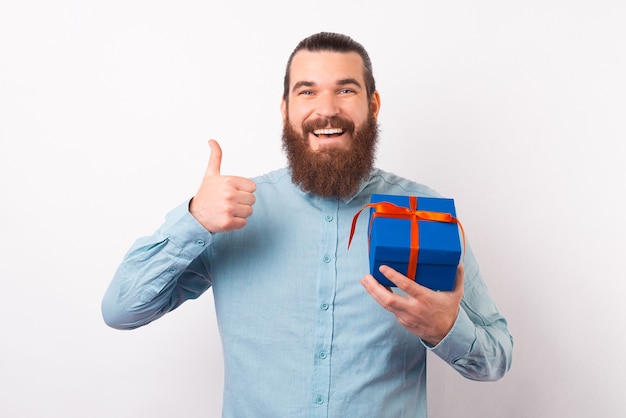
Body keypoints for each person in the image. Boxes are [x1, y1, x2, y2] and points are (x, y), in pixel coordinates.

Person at [102, 32, 513, 417]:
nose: (327, 108)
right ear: (286, 109)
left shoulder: (427, 213)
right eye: (308, 91)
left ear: (373, 105)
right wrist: (193, 219)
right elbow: (122, 310)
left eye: (346, 90)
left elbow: (495, 358)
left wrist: (446, 328)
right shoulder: (231, 213)